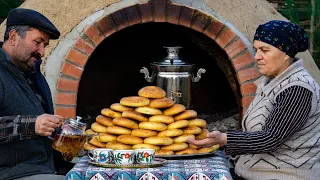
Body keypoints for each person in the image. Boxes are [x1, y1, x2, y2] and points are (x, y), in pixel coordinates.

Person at [188, 20, 320, 180]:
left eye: (265, 50)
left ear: (286, 53)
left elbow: (272, 138)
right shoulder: (272, 82)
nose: (257, 57)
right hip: (255, 173)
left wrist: (224, 139)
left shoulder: (298, 88)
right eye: (256, 49)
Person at [0, 8, 71, 180]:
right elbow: (34, 125)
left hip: (46, 167)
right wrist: (32, 125)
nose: (42, 52)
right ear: (14, 37)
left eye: (45, 45)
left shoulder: (33, 73)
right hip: (11, 173)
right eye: (37, 42)